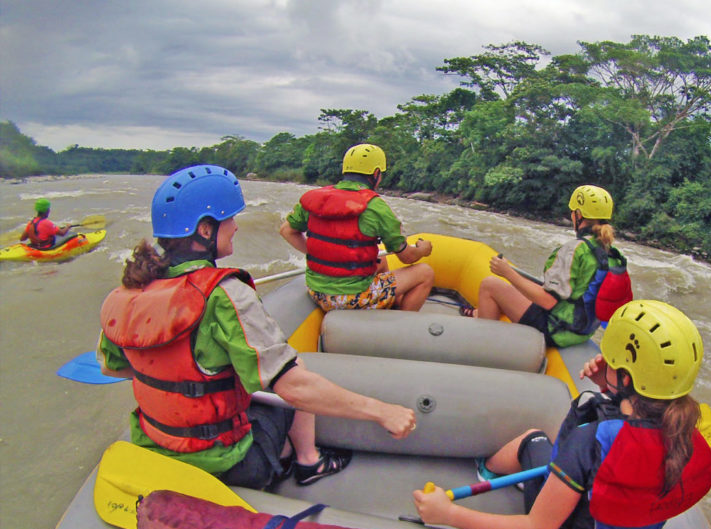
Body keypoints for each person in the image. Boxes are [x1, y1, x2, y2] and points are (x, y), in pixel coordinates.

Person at [99, 165, 417, 490]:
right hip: (227, 464)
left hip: (156, 450)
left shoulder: (125, 293)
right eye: (230, 219)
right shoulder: (225, 294)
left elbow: (113, 369)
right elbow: (295, 388)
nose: (236, 227)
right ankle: (309, 462)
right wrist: (383, 411)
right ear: (205, 230)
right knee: (294, 372)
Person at [414, 300, 711, 529]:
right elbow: (635, 431)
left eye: (610, 361)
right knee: (582, 427)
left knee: (532, 440)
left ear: (625, 378)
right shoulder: (690, 430)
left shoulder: (591, 442)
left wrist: (448, 514)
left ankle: (487, 471)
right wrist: (607, 385)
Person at [465, 185, 626, 348]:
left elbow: (547, 301)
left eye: (572, 212)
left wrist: (507, 272)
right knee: (530, 288)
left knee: (490, 285)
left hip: (555, 330)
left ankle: (484, 347)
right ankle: (481, 314)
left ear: (578, 215)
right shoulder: (611, 254)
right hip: (581, 331)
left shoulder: (574, 250)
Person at [279, 144, 434, 312]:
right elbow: (407, 257)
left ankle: (387, 303)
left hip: (316, 292)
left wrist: (320, 254)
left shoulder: (317, 198)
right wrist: (423, 250)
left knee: (381, 261)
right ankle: (399, 323)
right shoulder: (375, 207)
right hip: (352, 297)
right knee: (425, 273)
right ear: (376, 174)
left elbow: (287, 231)